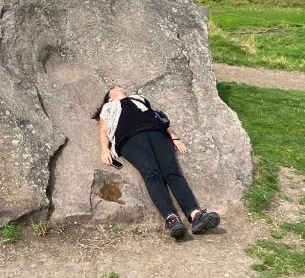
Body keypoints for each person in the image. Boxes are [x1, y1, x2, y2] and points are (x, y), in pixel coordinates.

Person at [91, 84, 220, 238]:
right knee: (151, 173)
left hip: (157, 134)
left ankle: (195, 215)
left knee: (172, 172)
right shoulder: (108, 107)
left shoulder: (140, 99)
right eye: (114, 87)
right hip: (130, 139)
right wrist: (104, 149)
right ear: (109, 97)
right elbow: (103, 131)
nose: (118, 86)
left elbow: (159, 119)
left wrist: (174, 137)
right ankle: (172, 219)